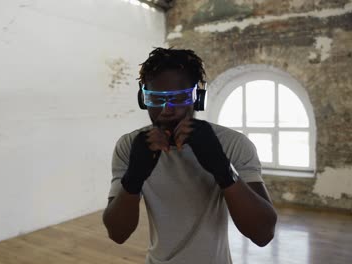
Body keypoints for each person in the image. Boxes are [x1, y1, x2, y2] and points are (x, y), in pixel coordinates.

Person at [102, 47, 277, 264]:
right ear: (143, 99)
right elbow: (117, 234)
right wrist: (133, 178)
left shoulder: (232, 144)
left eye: (179, 98)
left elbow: (263, 234)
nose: (167, 109)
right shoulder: (130, 146)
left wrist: (223, 169)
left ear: (198, 97)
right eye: (156, 99)